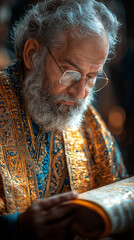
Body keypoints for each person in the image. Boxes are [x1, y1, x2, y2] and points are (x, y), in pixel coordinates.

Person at [0, 0, 127, 239]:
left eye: (91, 78)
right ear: (32, 55)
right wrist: (17, 227)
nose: (81, 94)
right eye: (71, 73)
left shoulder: (86, 118)